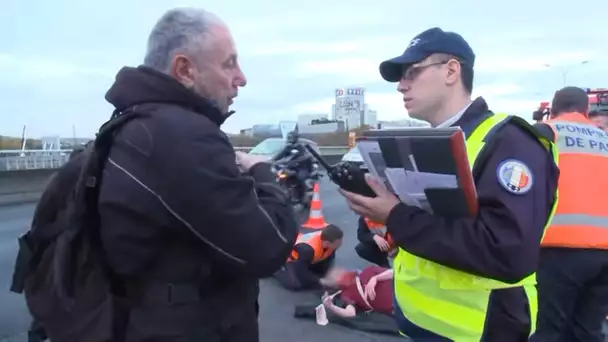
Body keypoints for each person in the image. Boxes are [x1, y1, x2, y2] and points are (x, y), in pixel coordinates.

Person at [339, 27, 559, 341]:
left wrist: (397, 216)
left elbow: (507, 253)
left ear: (452, 71)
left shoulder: (510, 142)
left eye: (413, 72)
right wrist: (378, 223)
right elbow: (422, 226)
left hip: (482, 329)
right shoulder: (421, 143)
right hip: (418, 322)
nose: (402, 85)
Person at [98, 8, 298, 341]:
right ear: (185, 70)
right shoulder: (182, 136)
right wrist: (262, 172)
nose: (242, 78)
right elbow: (268, 247)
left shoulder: (133, 124)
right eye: (229, 63)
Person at [530, 87, 608, 342]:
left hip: (558, 248)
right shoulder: (604, 140)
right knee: (589, 329)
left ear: (552, 109)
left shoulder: (545, 133)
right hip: (604, 253)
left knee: (549, 329)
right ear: (586, 110)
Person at [293, 266, 399, 335]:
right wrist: (332, 307)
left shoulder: (369, 271)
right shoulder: (347, 295)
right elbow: (349, 313)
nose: (338, 276)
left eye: (337, 274)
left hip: (405, 291)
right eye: (335, 277)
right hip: (400, 308)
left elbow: (396, 272)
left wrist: (376, 278)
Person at [274, 225, 343, 291]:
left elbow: (329, 258)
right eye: (338, 243)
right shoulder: (307, 250)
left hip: (308, 259)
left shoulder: (330, 242)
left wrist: (330, 272)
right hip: (291, 260)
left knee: (321, 273)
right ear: (327, 243)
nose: (340, 244)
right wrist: (321, 281)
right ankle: (277, 270)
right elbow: (300, 271)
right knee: (296, 283)